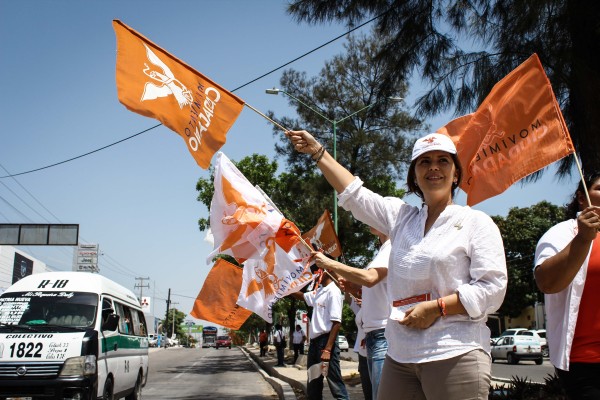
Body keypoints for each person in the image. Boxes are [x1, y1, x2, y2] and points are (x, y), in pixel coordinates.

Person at [287, 130, 507, 400]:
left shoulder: (477, 223)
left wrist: (437, 308)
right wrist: (318, 152)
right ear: (414, 175)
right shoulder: (402, 218)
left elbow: (493, 288)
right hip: (400, 354)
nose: (434, 167)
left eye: (443, 160)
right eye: (424, 162)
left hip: (455, 350)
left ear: (456, 174)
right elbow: (356, 195)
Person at [534, 171, 600, 399]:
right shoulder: (561, 234)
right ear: (582, 198)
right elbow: (547, 283)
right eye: (599, 188)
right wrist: (583, 238)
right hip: (586, 363)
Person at [314, 225, 392, 400]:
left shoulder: (391, 247)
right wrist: (356, 289)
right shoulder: (381, 252)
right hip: (373, 339)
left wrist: (328, 263)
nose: (368, 217)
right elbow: (377, 291)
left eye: (376, 213)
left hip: (383, 335)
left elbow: (370, 278)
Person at [290, 268, 350, 400]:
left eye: (316, 272)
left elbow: (336, 323)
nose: (313, 276)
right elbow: (303, 296)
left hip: (325, 343)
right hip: (314, 343)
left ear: (325, 272)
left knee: (335, 385)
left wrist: (328, 349)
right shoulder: (319, 290)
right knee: (313, 385)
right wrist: (286, 289)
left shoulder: (333, 292)